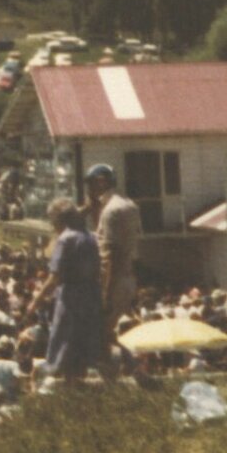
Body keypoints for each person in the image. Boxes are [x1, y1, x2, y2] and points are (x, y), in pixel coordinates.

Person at [32, 199, 105, 385]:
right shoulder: (89, 236)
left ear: (58, 220)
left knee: (65, 343)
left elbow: (55, 277)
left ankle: (69, 386)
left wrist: (36, 302)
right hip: (92, 294)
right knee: (82, 345)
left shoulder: (66, 239)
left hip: (71, 296)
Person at [86, 164, 141, 379]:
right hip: (128, 276)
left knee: (100, 333)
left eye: (91, 183)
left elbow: (110, 256)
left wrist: (105, 294)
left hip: (114, 280)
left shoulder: (110, 211)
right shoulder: (128, 205)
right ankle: (129, 369)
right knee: (109, 332)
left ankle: (110, 380)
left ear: (100, 182)